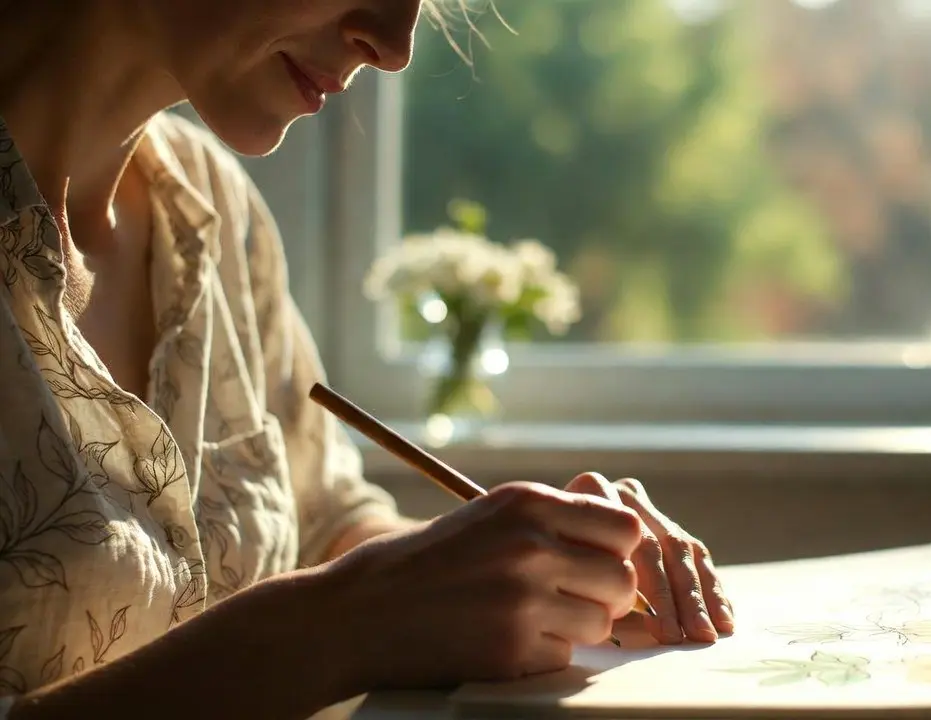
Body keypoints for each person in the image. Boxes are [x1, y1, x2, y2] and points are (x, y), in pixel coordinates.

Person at [0, 1, 735, 717]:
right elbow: (341, 603)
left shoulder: (212, 206)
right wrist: (335, 627)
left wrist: (537, 566)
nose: (394, 45)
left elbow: (324, 522)